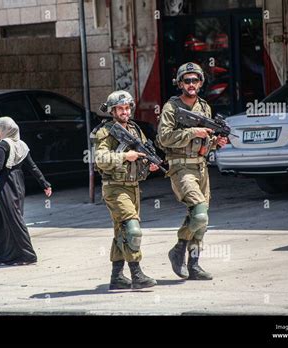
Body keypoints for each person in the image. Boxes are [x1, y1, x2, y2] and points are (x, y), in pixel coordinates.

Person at [156, 62, 228, 280]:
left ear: (201, 83)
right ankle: (178, 249)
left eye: (195, 80)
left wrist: (217, 141)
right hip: (180, 166)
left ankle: (194, 264)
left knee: (201, 220)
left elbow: (206, 141)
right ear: (180, 83)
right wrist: (192, 131)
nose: (191, 84)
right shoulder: (171, 107)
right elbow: (163, 138)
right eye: (186, 80)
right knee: (198, 213)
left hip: (200, 166)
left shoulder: (204, 107)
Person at [92, 90, 159, 290]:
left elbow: (141, 156)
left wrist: (149, 164)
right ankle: (136, 274)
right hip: (114, 188)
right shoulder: (106, 131)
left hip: (133, 187)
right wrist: (124, 156)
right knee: (133, 230)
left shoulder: (135, 129)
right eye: (120, 108)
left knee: (122, 231)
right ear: (113, 111)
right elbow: (101, 159)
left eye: (127, 107)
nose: (124, 111)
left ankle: (116, 277)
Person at [0, 117, 52, 265]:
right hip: (18, 182)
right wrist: (45, 184)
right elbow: (32, 167)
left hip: (6, 184)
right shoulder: (22, 144)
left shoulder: (3, 145)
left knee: (14, 220)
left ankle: (28, 255)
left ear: (5, 129)